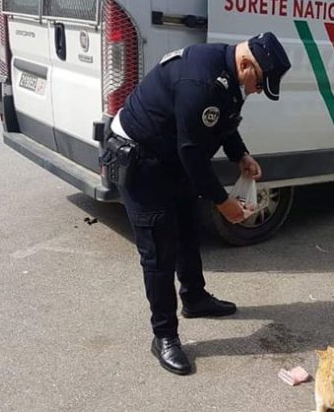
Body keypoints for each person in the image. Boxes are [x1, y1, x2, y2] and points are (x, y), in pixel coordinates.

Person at [103, 32, 291, 375]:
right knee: (159, 251)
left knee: (189, 230)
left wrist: (241, 155)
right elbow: (192, 151)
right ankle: (164, 336)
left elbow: (221, 121)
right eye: (260, 83)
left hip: (171, 157)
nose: (258, 91)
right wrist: (223, 202)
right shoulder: (200, 81)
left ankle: (195, 297)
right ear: (247, 63)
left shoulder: (229, 73)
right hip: (141, 161)